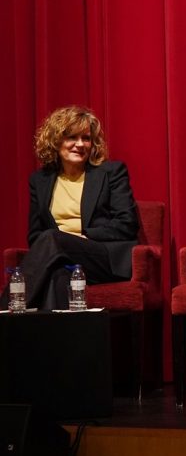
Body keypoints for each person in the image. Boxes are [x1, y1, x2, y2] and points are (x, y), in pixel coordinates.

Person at [1, 106, 138, 310]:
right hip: (60, 256)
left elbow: (127, 224)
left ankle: (5, 309)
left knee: (52, 237)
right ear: (55, 141)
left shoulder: (111, 172)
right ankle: (58, 341)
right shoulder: (40, 180)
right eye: (72, 137)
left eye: (86, 138)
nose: (80, 144)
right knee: (58, 276)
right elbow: (34, 235)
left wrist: (84, 237)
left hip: (101, 257)